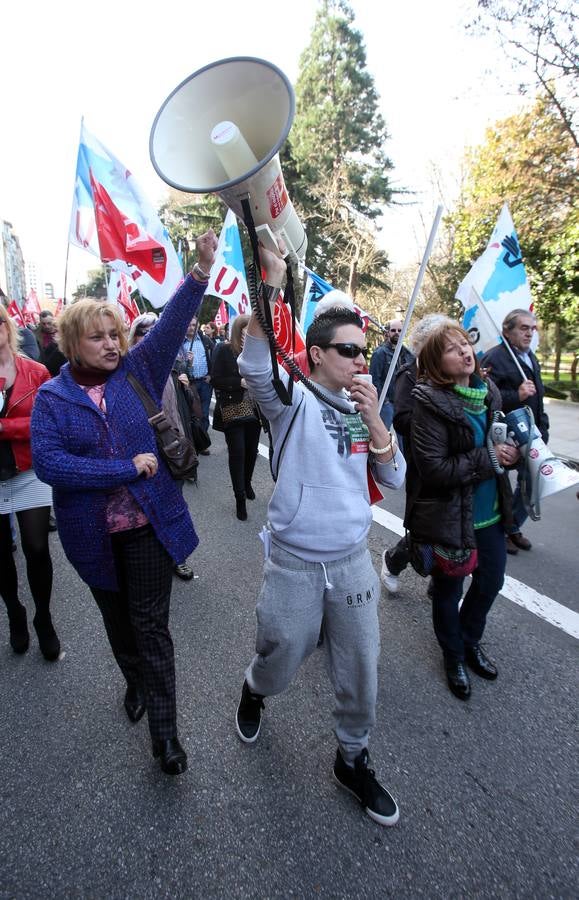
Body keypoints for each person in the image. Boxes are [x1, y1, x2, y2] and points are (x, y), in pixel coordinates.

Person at [31, 231, 217, 775]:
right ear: (71, 344)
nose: (112, 344)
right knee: (120, 627)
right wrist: (122, 467)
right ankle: (133, 680)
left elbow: (170, 322)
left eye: (115, 334)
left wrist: (201, 270)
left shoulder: (138, 370)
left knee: (151, 625)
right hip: (91, 537)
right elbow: (51, 466)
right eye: (98, 338)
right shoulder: (51, 397)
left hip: (147, 527)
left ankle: (166, 735)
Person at [234, 244, 406, 827]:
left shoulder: (367, 407)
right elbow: (255, 367)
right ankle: (255, 689)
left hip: (353, 560)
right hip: (295, 562)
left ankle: (351, 757)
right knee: (283, 652)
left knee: (361, 666)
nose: (362, 361)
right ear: (316, 353)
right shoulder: (292, 401)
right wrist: (271, 284)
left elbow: (395, 474)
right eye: (349, 352)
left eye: (366, 352)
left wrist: (379, 424)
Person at [406, 323, 518, 700]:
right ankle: (452, 654)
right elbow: (435, 469)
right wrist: (489, 458)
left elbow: (502, 448)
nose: (465, 351)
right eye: (453, 349)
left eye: (465, 344)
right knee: (448, 590)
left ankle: (469, 640)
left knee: (490, 583)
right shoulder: (428, 402)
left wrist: (513, 453)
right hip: (451, 518)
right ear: (436, 363)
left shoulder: (490, 394)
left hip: (492, 513)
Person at [0, 304, 60, 660]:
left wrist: (4, 428)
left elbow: (48, 422)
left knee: (37, 549)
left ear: (6, 327)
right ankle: (15, 614)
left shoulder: (36, 372)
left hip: (29, 471)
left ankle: (44, 617)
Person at [380, 314, 455, 593]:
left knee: (450, 526)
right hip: (423, 465)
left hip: (455, 464)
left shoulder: (453, 374)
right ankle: (394, 559)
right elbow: (402, 419)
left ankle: (443, 580)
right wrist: (437, 422)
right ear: (423, 345)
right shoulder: (409, 375)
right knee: (425, 530)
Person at [128, 312, 200, 581]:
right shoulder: (124, 372)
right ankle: (154, 557)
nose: (151, 336)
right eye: (144, 332)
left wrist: (185, 385)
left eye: (155, 331)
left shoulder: (170, 365)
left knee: (175, 504)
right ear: (133, 337)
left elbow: (181, 412)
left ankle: (177, 557)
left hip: (172, 447)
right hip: (141, 453)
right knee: (147, 508)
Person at [480, 309, 549, 555]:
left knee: (532, 481)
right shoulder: (494, 358)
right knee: (502, 485)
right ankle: (503, 529)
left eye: (532, 328)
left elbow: (538, 397)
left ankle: (513, 526)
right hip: (506, 436)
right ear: (506, 331)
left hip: (533, 435)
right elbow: (486, 398)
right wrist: (516, 395)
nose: (529, 333)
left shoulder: (531, 357)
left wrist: (544, 427)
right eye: (523, 328)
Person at [210, 314, 261, 521]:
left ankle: (247, 482)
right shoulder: (224, 349)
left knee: (252, 451)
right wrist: (237, 382)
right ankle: (239, 498)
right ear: (238, 331)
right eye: (247, 330)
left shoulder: (257, 352)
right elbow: (215, 379)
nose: (250, 334)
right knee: (237, 453)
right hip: (233, 408)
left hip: (255, 410)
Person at [369, 319, 414, 430]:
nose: (397, 333)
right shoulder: (379, 353)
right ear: (387, 333)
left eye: (400, 330)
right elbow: (375, 379)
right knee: (386, 435)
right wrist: (384, 401)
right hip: (387, 403)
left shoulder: (409, 354)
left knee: (404, 437)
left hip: (405, 403)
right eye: (393, 330)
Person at [177, 315, 214, 446]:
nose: (191, 328)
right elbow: (178, 366)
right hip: (190, 383)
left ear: (198, 326)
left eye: (194, 325)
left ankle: (202, 442)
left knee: (204, 413)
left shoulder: (205, 340)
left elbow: (213, 358)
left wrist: (211, 375)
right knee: (192, 413)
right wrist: (189, 363)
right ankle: (193, 440)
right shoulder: (180, 344)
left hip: (205, 382)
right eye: (189, 325)